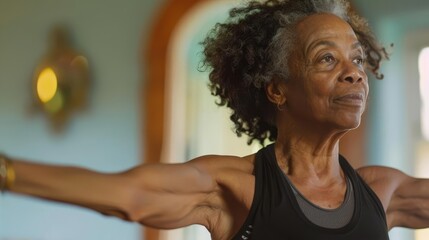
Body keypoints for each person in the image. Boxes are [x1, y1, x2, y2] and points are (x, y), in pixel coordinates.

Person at [1, 0, 428, 239]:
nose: (354, 71)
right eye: (326, 59)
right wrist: (8, 172)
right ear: (277, 89)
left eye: (356, 58)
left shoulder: (381, 191)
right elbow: (128, 195)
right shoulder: (238, 187)